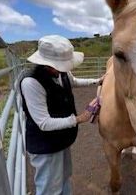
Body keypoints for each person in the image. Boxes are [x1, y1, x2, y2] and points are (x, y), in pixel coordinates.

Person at [20, 35, 103, 195]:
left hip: (61, 140)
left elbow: (74, 82)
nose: (65, 68)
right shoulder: (31, 83)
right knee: (48, 187)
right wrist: (78, 119)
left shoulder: (60, 72)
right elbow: (43, 123)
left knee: (64, 177)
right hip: (45, 145)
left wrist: (97, 81)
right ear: (47, 63)